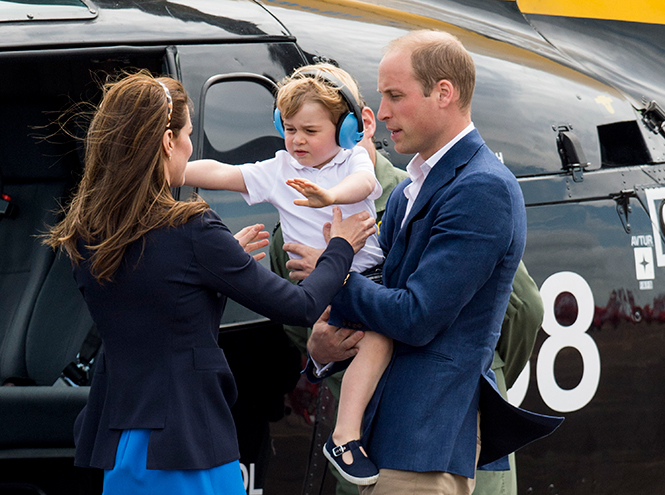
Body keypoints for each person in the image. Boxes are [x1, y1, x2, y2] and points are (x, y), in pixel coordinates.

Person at [44, 71, 376, 495]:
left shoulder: (86, 232)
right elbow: (302, 306)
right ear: (168, 142)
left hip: (121, 442)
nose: (189, 145)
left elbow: (156, 300)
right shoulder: (192, 231)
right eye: (185, 133)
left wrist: (214, 271)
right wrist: (341, 248)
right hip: (188, 443)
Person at [305, 30, 563, 495]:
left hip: (424, 446)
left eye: (395, 96)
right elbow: (379, 295)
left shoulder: (484, 188)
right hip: (380, 445)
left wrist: (334, 277)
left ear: (444, 93)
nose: (381, 113)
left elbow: (417, 316)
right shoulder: (408, 190)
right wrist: (323, 349)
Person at [185, 63, 398, 485]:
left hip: (369, 282)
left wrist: (329, 197)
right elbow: (224, 174)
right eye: (289, 128)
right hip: (322, 294)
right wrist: (170, 170)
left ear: (350, 128)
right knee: (359, 342)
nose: (297, 140)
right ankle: (347, 434)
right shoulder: (280, 168)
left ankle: (346, 434)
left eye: (310, 131)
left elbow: (362, 183)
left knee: (378, 339)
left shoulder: (353, 160)